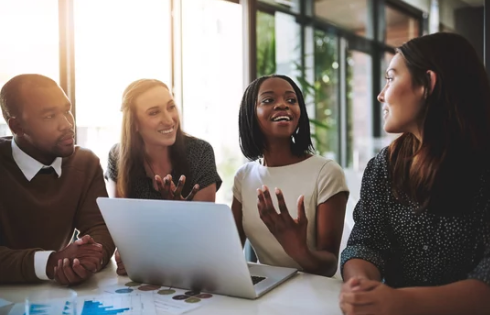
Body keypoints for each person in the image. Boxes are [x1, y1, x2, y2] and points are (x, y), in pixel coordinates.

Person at [340, 32, 490, 315]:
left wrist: (401, 302)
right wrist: (360, 287)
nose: (381, 95)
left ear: (427, 84)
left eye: (391, 77)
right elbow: (365, 243)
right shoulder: (384, 166)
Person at [0, 74, 115, 284]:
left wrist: (86, 260)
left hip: (53, 295)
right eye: (49, 116)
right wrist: (51, 262)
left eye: (66, 110)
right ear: (17, 127)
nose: (67, 124)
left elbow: (100, 228)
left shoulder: (85, 163)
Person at [232, 74, 349, 276]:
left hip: (319, 294)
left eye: (291, 100)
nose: (283, 105)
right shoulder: (244, 177)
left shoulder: (326, 172)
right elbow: (230, 253)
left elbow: (329, 266)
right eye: (268, 100)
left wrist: (297, 248)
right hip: (269, 291)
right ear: (250, 114)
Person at [106, 79, 222, 275]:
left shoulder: (200, 152)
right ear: (134, 123)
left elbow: (203, 235)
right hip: (143, 276)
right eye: (154, 112)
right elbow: (124, 233)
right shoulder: (117, 157)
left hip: (194, 270)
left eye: (171, 107)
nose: (169, 120)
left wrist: (177, 213)